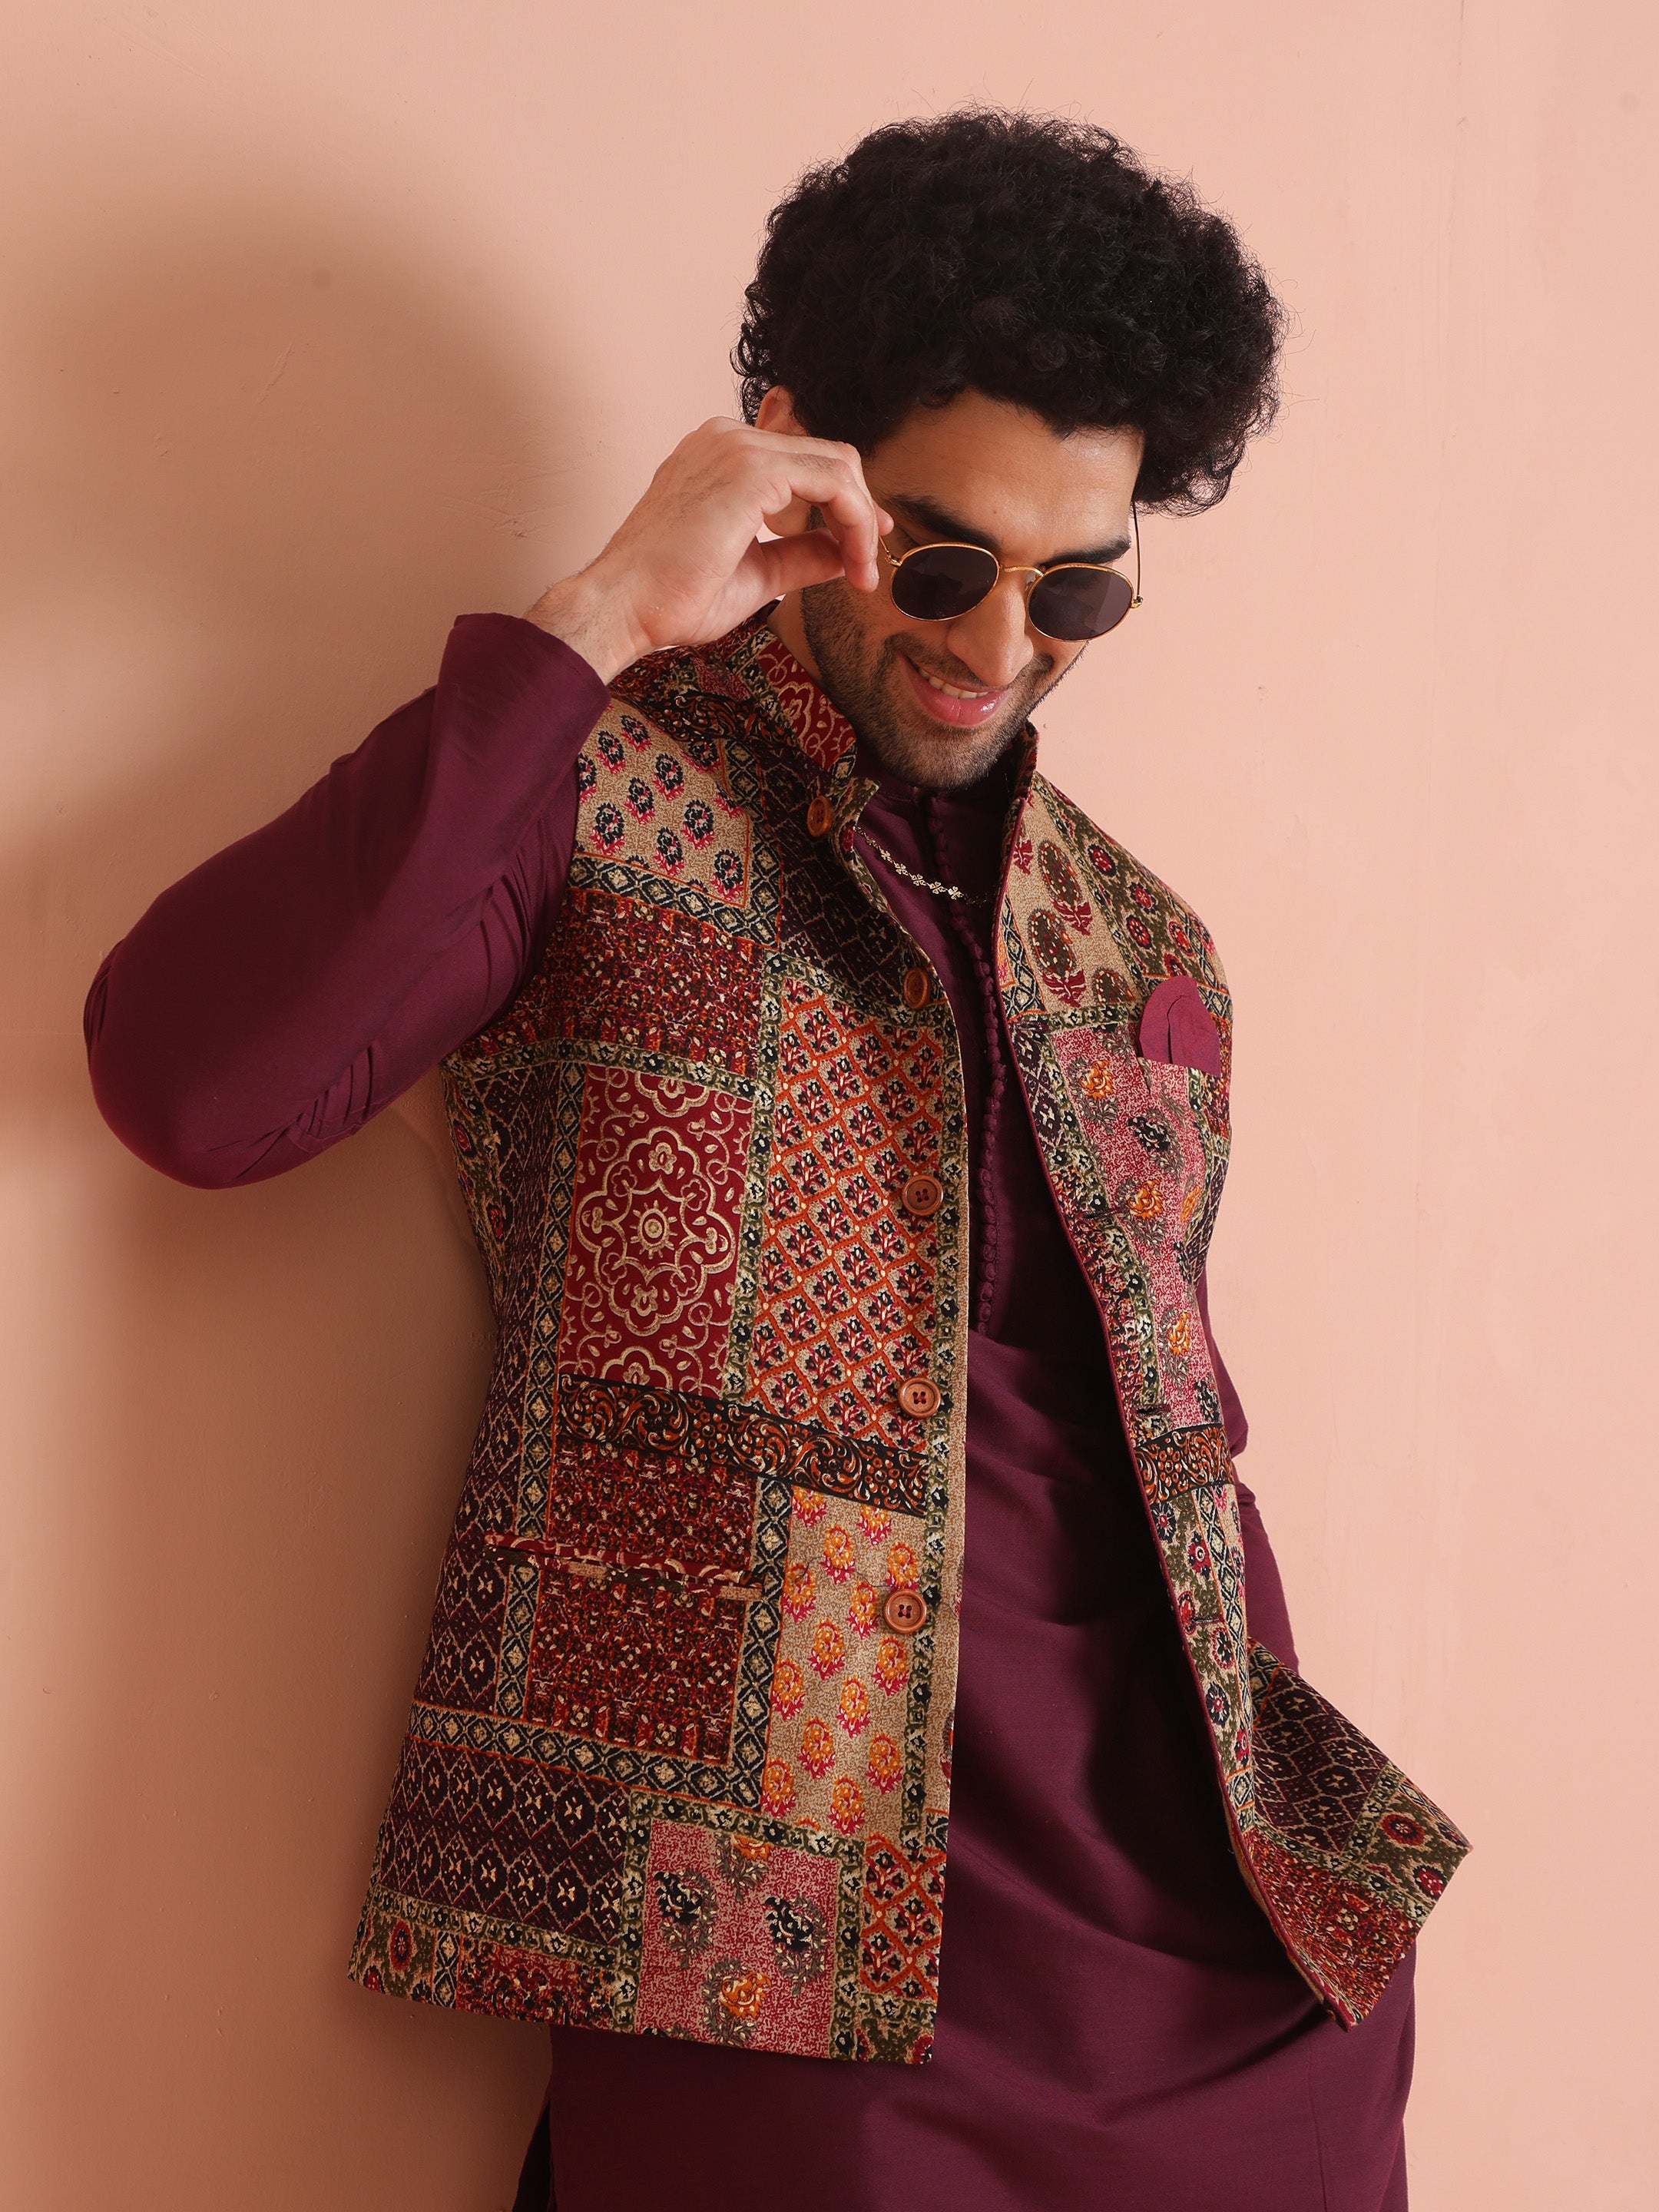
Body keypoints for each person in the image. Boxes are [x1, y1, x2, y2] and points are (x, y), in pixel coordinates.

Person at [84, 111, 1466, 2212]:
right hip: (765, 1955)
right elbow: (191, 1084)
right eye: (945, 560)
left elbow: (1174, 1466)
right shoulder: (587, 790)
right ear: (801, 464)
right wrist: (595, 619)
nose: (998, 649)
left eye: (1080, 588)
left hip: (1231, 1981)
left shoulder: (1146, 954)